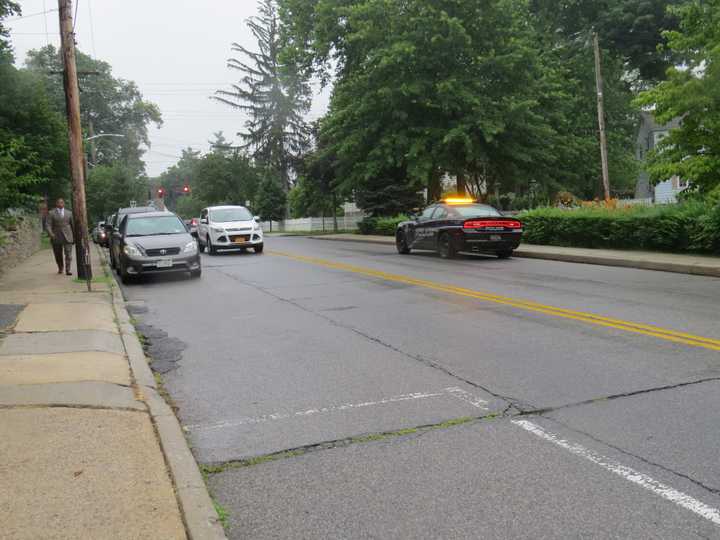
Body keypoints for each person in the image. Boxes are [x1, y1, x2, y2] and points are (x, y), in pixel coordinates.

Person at [46, 198, 74, 275]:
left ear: (64, 203)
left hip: (68, 236)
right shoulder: (51, 213)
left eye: (62, 202)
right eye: (59, 202)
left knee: (68, 254)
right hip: (56, 236)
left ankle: (68, 270)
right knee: (58, 254)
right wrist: (51, 234)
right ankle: (60, 267)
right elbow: (48, 225)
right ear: (56, 204)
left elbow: (73, 225)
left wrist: (74, 237)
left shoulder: (69, 213)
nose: (60, 204)